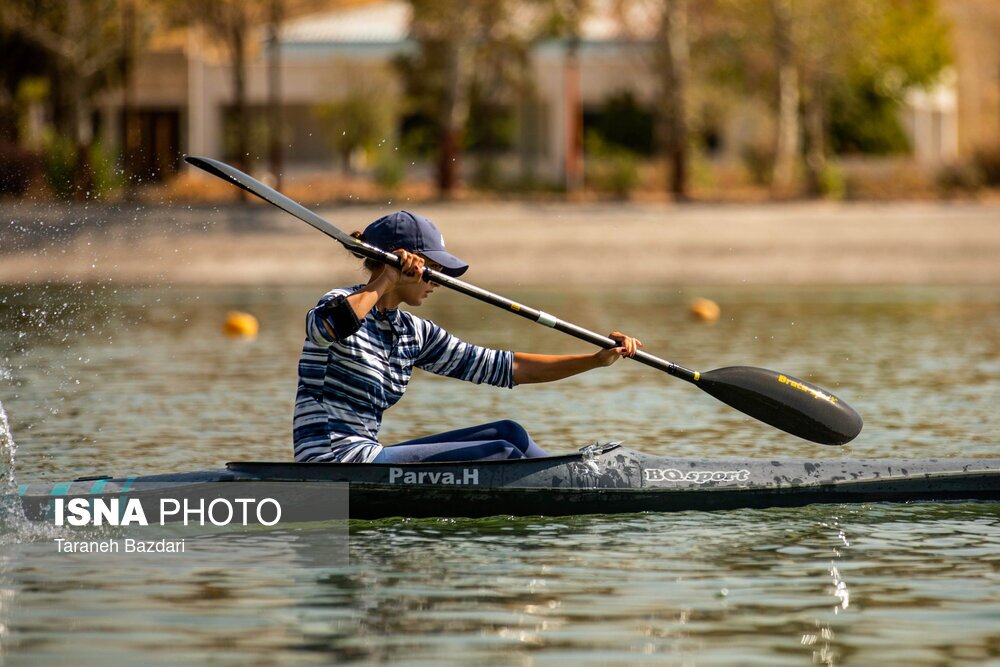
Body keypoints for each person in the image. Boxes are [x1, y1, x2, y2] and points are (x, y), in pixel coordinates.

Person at [293, 210, 641, 464]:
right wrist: (384, 279)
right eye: (434, 270)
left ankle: (572, 479)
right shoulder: (338, 304)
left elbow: (505, 368)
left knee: (509, 433)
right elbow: (325, 328)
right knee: (501, 454)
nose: (437, 281)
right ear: (401, 264)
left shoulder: (412, 332)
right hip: (331, 463)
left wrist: (595, 361)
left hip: (369, 455)